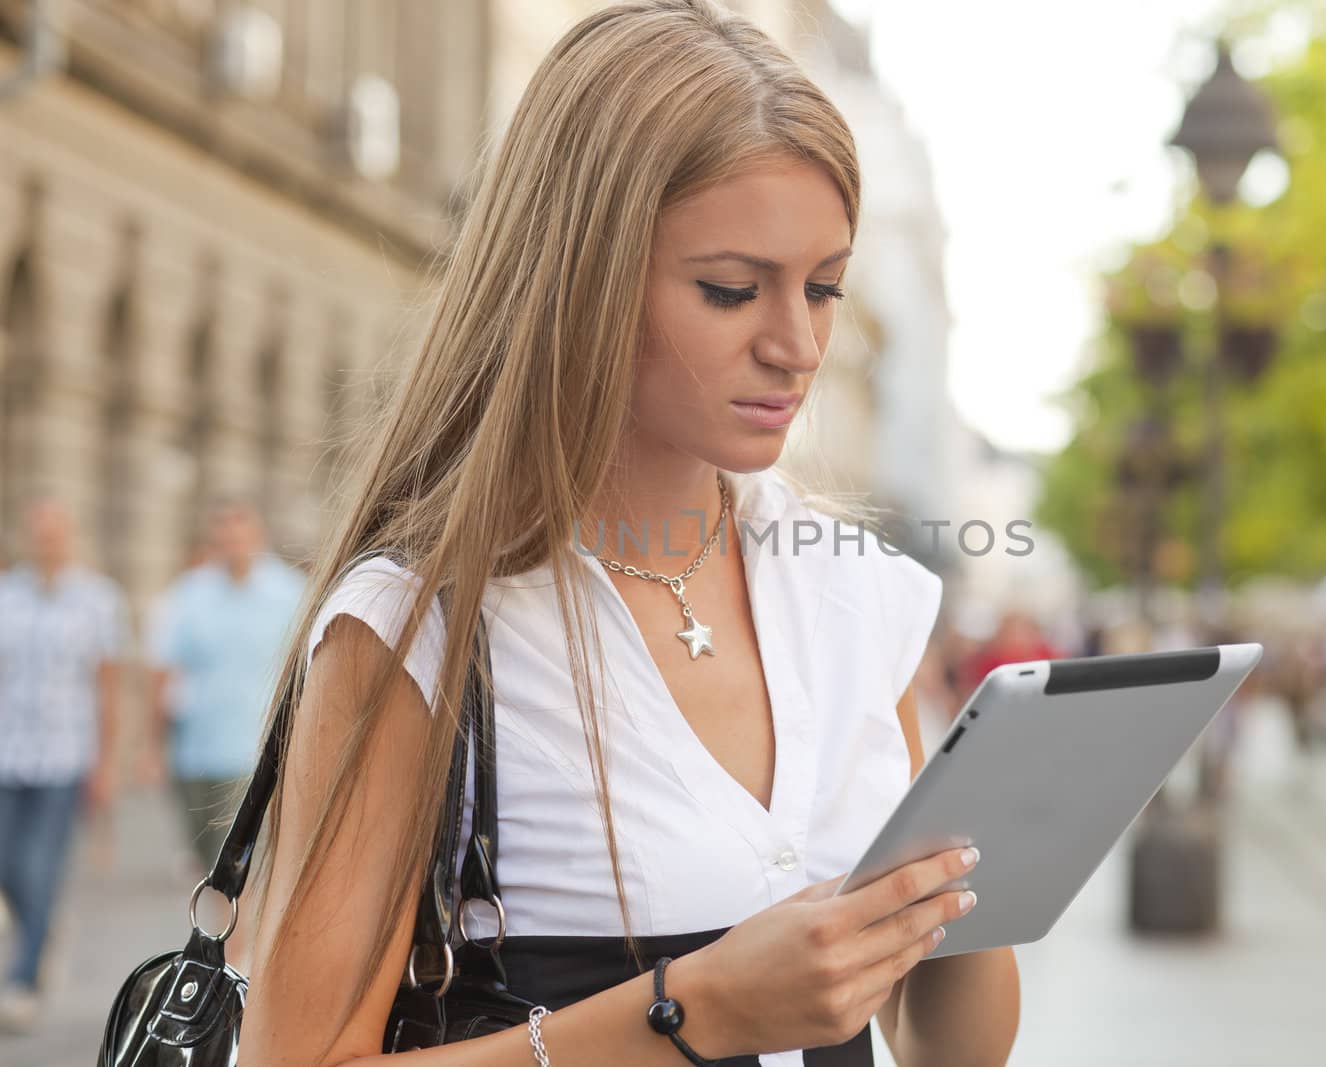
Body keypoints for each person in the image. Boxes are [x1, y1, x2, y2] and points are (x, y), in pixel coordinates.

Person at [236, 4, 1020, 1065]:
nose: (796, 345)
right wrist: (694, 1009)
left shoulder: (852, 594)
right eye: (732, 289)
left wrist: (984, 875)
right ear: (585, 278)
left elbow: (946, 1047)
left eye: (824, 288)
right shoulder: (417, 624)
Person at [0, 497, 130, 1031]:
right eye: (39, 532)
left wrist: (105, 765)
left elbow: (108, 688)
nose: (47, 541)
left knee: (43, 865)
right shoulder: (8, 595)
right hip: (7, 751)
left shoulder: (98, 601)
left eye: (56, 532)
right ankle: (43, 925)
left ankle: (24, 980)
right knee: (7, 859)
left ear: (70, 536)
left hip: (65, 754)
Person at [146, 499, 306, 876]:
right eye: (224, 534)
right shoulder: (188, 594)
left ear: (257, 535)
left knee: (242, 868)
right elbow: (163, 671)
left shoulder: (291, 594)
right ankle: (228, 929)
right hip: (195, 754)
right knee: (209, 864)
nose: (232, 542)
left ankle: (239, 933)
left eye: (240, 532)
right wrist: (152, 747)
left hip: (257, 754)